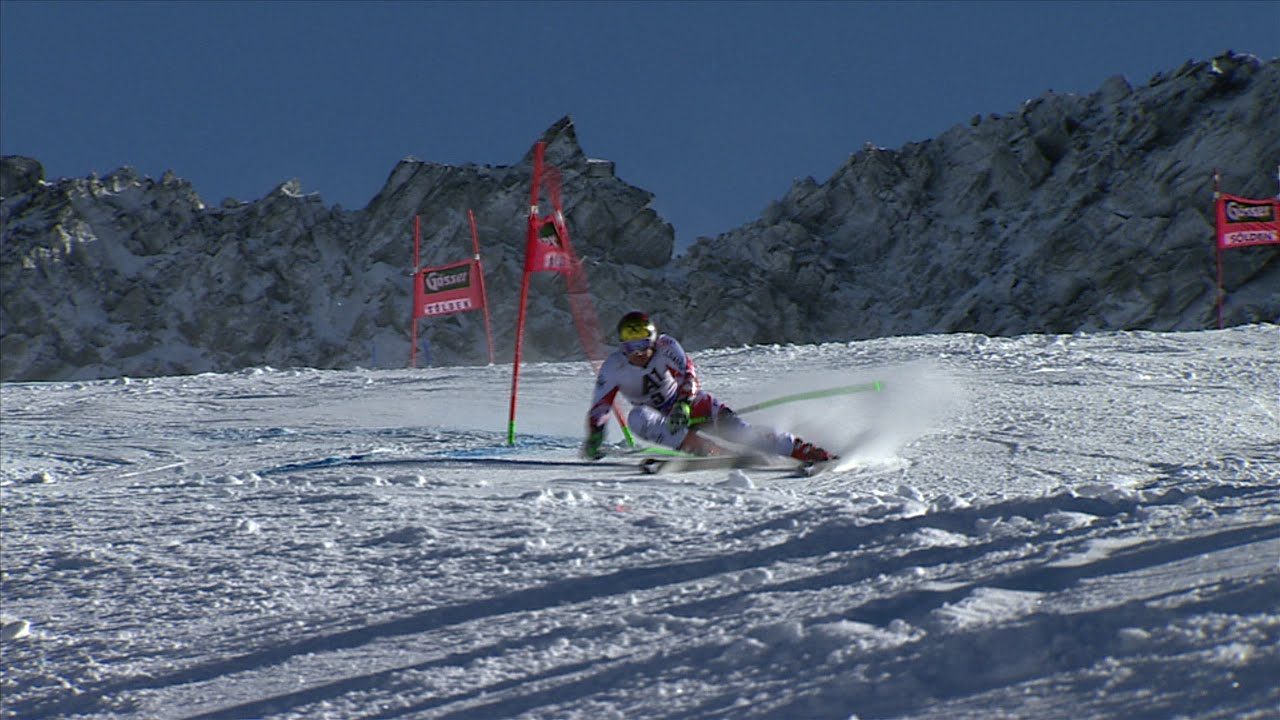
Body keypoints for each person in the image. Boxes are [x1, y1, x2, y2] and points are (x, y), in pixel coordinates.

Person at [582, 311, 835, 463]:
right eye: (629, 346)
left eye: (642, 344)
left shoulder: (666, 347)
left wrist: (683, 405)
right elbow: (600, 406)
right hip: (659, 417)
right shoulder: (613, 367)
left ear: (653, 339)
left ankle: (805, 451)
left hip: (693, 405)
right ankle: (705, 450)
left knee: (742, 433)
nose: (637, 353)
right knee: (637, 418)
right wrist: (595, 436)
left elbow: (688, 375)